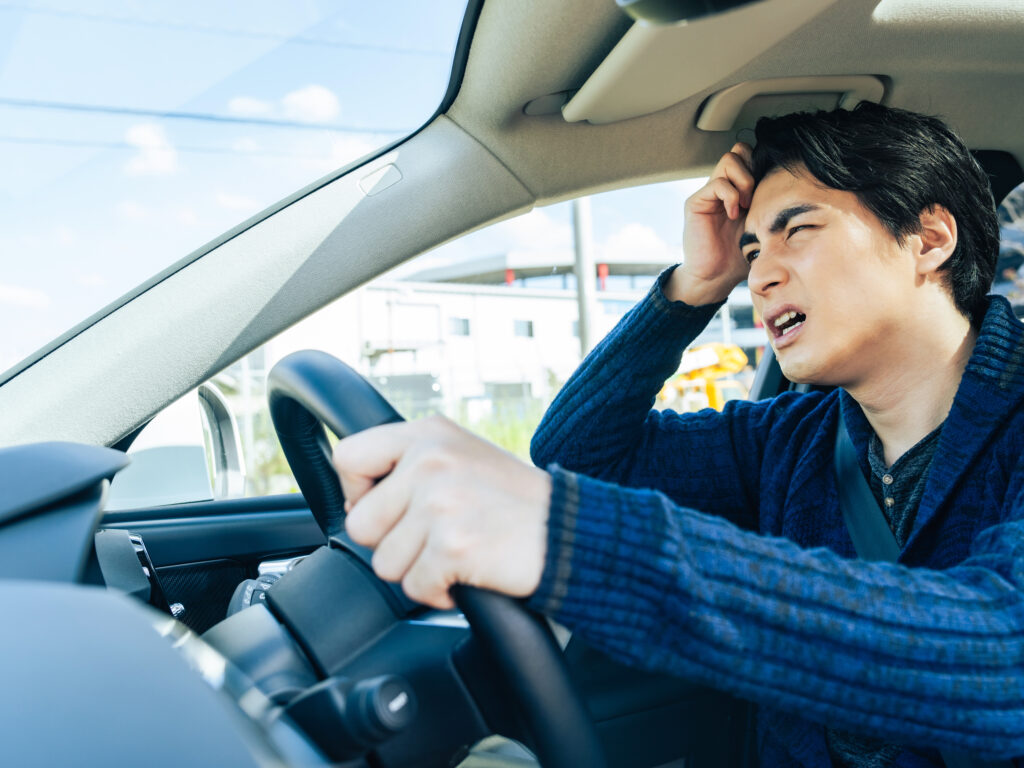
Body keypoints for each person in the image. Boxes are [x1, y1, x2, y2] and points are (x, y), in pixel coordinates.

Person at [331, 102, 1024, 767]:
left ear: (929, 239)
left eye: (798, 231)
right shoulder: (791, 439)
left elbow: (1001, 652)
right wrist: (695, 286)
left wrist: (572, 541)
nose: (761, 275)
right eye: (751, 250)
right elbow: (579, 455)